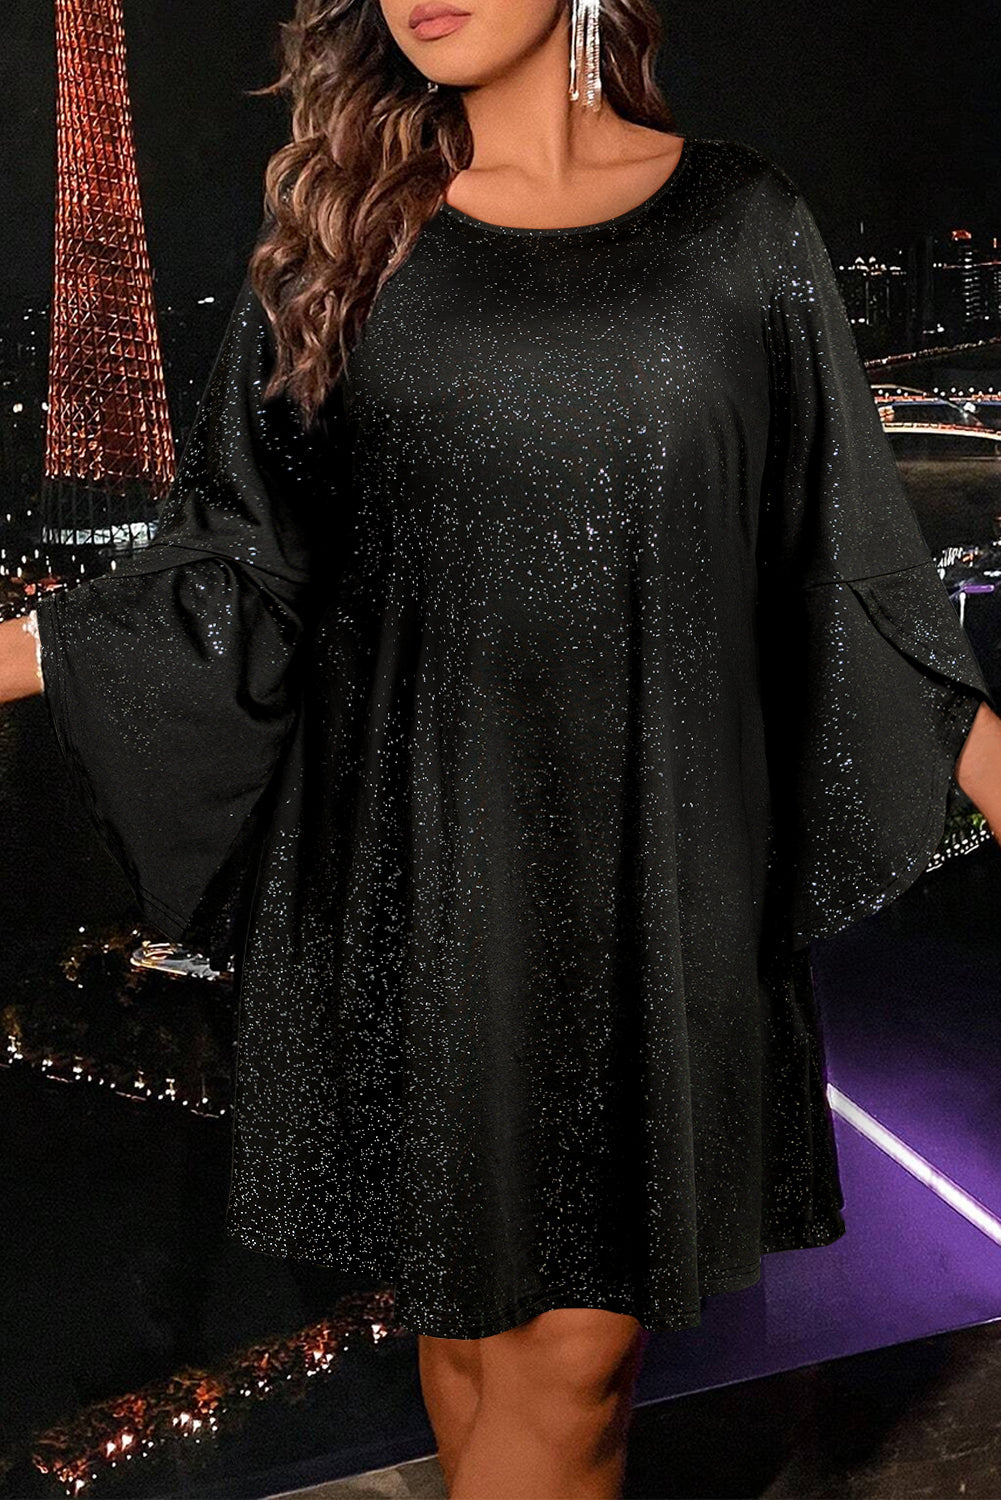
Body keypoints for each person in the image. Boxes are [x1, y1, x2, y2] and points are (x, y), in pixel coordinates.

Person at [3, 2, 1001, 1496]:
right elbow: (241, 571)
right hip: (418, 882)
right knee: (477, 1355)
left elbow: (835, 564)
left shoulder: (741, 226)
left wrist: (986, 759)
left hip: (651, 890)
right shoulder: (344, 233)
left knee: (566, 1370)